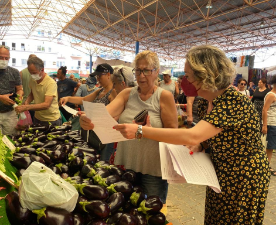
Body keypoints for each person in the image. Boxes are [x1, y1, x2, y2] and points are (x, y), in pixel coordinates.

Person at [113, 45, 270, 224]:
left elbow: (193, 135)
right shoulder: (206, 102)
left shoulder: (234, 100)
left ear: (206, 74)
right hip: (219, 175)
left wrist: (140, 130)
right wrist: (202, 145)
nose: (185, 80)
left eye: (188, 76)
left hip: (243, 177)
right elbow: (211, 136)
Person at [79, 51, 178, 205]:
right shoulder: (126, 94)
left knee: (151, 214)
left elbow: (173, 134)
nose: (141, 75)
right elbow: (105, 114)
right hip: (126, 165)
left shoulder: (164, 96)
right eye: (138, 70)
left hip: (154, 169)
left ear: (156, 72)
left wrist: (146, 131)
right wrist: (89, 119)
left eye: (146, 70)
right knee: (127, 211)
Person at [60, 63, 117, 157]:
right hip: (94, 133)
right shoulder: (100, 90)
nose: (98, 79)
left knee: (103, 161)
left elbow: (113, 115)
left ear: (108, 75)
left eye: (100, 76)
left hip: (106, 136)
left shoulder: (113, 92)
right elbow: (84, 99)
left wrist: (89, 114)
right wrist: (68, 98)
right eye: (97, 76)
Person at [15, 57, 61, 126]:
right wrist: (27, 102)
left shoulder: (50, 83)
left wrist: (27, 107)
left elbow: (46, 104)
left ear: (42, 70)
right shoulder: (33, 80)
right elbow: (32, 93)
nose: (32, 75)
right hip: (37, 118)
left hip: (51, 120)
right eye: (30, 73)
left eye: (34, 73)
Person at [262, 75, 276, 176]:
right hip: (271, 123)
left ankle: (267, 166)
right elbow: (264, 110)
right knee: (270, 146)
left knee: (272, 146)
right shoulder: (271, 95)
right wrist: (265, 125)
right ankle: (266, 166)